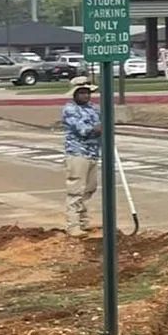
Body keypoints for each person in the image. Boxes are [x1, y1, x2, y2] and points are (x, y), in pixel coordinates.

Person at [61, 82, 102, 238]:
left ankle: (83, 221)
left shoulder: (93, 108)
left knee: (90, 187)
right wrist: (99, 128)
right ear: (75, 94)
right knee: (75, 189)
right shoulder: (70, 109)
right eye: (82, 93)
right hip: (77, 153)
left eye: (87, 92)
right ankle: (73, 225)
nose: (86, 95)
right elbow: (83, 131)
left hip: (93, 153)